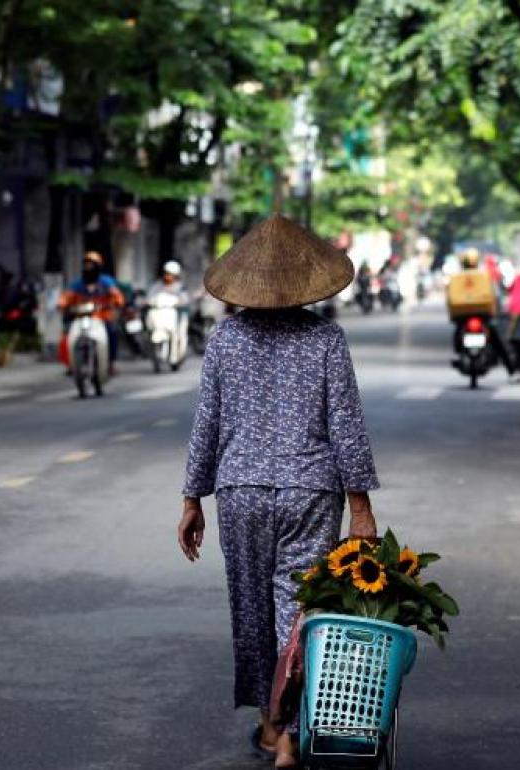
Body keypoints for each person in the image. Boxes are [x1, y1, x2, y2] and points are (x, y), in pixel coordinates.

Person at [177, 215, 380, 769]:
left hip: (239, 492)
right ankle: (291, 735)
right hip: (309, 494)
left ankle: (270, 726)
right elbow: (347, 426)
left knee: (251, 610)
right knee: (301, 610)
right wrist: (360, 507)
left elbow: (207, 424)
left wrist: (192, 498)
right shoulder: (326, 340)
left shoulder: (224, 339)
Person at [58, 251, 125, 373]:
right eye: (86, 264)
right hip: (80, 317)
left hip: (102, 317)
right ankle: (72, 363)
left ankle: (110, 362)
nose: (89, 267)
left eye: (92, 264)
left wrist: (116, 303)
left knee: (112, 332)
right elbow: (66, 297)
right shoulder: (77, 284)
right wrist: (63, 305)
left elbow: (116, 296)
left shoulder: (106, 282)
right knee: (67, 336)